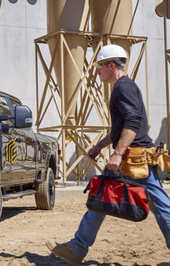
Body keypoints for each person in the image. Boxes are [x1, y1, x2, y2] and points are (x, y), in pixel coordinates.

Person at [46, 44, 170, 265]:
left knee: (160, 207)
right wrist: (101, 146)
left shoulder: (123, 88)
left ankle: (77, 247)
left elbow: (133, 123)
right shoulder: (124, 87)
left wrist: (118, 154)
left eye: (100, 66)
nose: (98, 71)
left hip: (133, 159)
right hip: (130, 158)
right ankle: (77, 248)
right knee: (100, 197)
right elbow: (120, 128)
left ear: (111, 65)